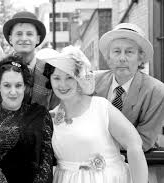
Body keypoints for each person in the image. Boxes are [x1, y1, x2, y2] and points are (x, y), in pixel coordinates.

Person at [37, 45, 148, 183]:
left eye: (69, 78)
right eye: (56, 78)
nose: (62, 84)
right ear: (50, 80)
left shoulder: (100, 107)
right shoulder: (50, 117)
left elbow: (134, 144)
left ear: (78, 78)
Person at [94, 23, 164, 183]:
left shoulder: (157, 91)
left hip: (133, 172)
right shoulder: (93, 82)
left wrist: (96, 141)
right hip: (95, 173)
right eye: (116, 51)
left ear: (140, 57)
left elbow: (145, 141)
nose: (122, 58)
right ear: (108, 57)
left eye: (129, 52)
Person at [0, 55, 54, 183]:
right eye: (7, 85)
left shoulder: (40, 115)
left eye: (18, 85)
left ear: (25, 86)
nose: (13, 92)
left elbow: (46, 162)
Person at [0, 11, 59, 110]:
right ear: (11, 39)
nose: (24, 38)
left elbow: (56, 109)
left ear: (37, 39)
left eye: (29, 34)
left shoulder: (50, 71)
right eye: (19, 34)